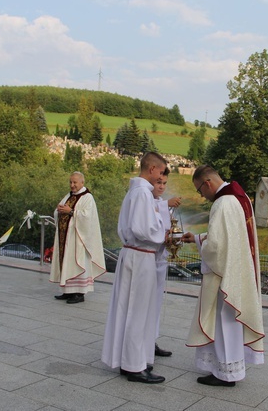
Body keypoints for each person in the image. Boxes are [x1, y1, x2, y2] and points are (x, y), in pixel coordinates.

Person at [182, 165, 265, 387]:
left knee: (224, 321)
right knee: (229, 322)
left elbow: (217, 246)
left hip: (225, 273)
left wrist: (203, 245)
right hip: (238, 267)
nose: (202, 195)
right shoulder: (240, 196)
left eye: (200, 190)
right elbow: (229, 235)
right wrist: (198, 238)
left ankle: (227, 374)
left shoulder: (222, 203)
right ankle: (225, 368)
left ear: (207, 182)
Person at [101, 152, 169, 384]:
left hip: (137, 255)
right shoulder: (141, 193)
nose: (161, 177)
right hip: (140, 256)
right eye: (160, 172)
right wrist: (164, 233)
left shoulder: (137, 192)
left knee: (133, 309)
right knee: (136, 311)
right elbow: (143, 229)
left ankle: (131, 360)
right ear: (151, 169)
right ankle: (133, 366)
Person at [50, 171, 106, 304]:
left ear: (82, 182)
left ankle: (79, 293)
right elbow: (59, 210)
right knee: (67, 263)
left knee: (77, 263)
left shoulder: (87, 197)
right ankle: (68, 291)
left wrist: (70, 212)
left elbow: (88, 217)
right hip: (67, 238)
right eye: (70, 182)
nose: (72, 185)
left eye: (75, 182)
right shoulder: (69, 196)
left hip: (79, 239)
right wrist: (58, 210)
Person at [151, 168, 181, 358]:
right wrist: (166, 205)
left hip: (159, 258)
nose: (161, 187)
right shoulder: (143, 199)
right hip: (146, 259)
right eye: (158, 182)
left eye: (164, 184)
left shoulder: (162, 204)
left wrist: (173, 238)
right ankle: (144, 342)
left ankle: (151, 340)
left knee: (156, 303)